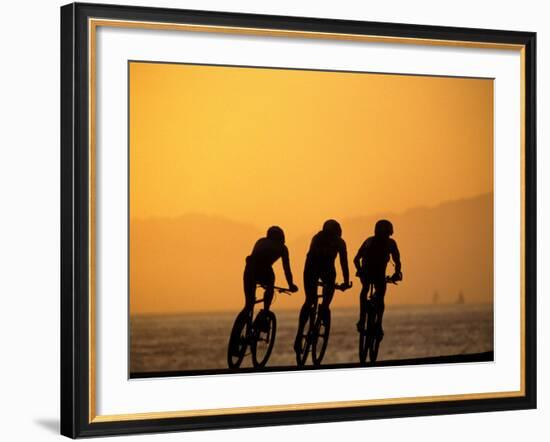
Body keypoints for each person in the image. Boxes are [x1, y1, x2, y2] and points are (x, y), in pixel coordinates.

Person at [294, 219, 351, 352]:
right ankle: (322, 311)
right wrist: (346, 282)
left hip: (313, 268)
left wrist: (346, 281)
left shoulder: (318, 237)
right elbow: (343, 263)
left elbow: (343, 262)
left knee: (310, 300)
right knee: (318, 300)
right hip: (320, 269)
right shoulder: (337, 241)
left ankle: (300, 334)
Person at [354, 219, 402, 339]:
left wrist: (359, 269)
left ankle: (366, 321)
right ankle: (374, 323)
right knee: (377, 295)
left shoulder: (370, 241)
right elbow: (397, 261)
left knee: (367, 291)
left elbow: (356, 259)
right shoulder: (389, 243)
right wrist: (397, 273)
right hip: (373, 274)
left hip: (369, 273)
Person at [242, 226, 298, 322]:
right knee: (270, 285)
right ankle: (265, 312)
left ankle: (238, 331)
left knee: (248, 304)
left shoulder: (261, 241)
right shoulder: (282, 248)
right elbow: (286, 269)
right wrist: (291, 285)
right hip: (264, 271)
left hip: (249, 269)